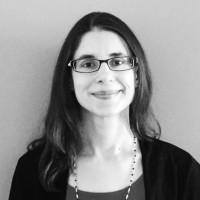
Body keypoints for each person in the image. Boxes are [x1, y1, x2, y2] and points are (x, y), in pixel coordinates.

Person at [9, 12, 200, 200]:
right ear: (69, 80)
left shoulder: (180, 171)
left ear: (136, 75)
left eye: (117, 62)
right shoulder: (32, 172)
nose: (105, 76)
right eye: (88, 64)